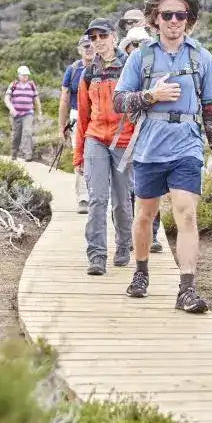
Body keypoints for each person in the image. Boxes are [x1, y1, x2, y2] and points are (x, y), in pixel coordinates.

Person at [113, 0, 212, 312]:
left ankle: (187, 288)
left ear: (189, 20)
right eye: (167, 14)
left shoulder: (201, 57)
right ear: (155, 19)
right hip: (149, 147)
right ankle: (141, 271)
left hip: (187, 146)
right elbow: (120, 101)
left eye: (181, 15)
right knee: (145, 215)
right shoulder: (141, 57)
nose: (174, 20)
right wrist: (151, 96)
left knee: (187, 213)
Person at [74, 18, 134, 276]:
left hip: (123, 141)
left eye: (103, 36)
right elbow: (83, 117)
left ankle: (123, 245)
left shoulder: (131, 67)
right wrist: (78, 154)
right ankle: (96, 255)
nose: (98, 41)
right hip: (95, 139)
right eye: (93, 38)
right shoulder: (88, 72)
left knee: (122, 200)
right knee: (98, 198)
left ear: (114, 37)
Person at [116, 13, 165, 254]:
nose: (136, 48)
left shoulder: (154, 68)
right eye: (132, 44)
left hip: (147, 137)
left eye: (140, 44)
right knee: (123, 192)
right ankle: (124, 238)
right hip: (121, 138)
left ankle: (152, 235)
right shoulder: (117, 70)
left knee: (147, 189)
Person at [59, 34, 96, 213]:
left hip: (100, 115)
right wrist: (61, 126)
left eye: (91, 45)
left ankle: (100, 196)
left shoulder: (105, 66)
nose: (89, 48)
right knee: (80, 155)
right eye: (85, 46)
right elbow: (64, 98)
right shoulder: (73, 69)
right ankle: (83, 197)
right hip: (77, 116)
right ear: (79, 49)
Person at [4, 64, 41, 161]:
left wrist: (39, 112)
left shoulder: (31, 85)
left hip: (28, 113)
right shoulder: (13, 85)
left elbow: (36, 99)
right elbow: (6, 98)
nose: (26, 77)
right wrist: (12, 109)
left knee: (27, 132)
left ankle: (28, 155)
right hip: (16, 114)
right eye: (24, 75)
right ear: (19, 75)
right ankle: (14, 153)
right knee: (16, 135)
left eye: (27, 75)